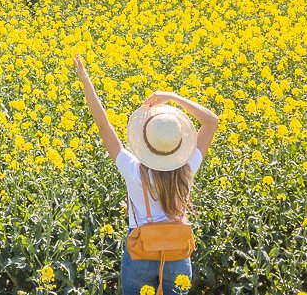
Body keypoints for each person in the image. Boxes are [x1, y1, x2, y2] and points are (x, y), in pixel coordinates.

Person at [73, 54, 219, 295]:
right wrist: (172, 97)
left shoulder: (134, 170)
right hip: (177, 255)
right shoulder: (187, 168)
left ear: (146, 141)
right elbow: (211, 122)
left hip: (141, 252)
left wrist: (85, 80)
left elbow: (103, 125)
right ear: (179, 144)